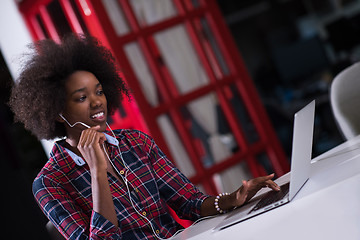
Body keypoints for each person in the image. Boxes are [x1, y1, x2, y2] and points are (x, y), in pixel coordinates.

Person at [9, 34, 280, 240]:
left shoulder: (135, 143)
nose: (97, 103)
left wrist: (235, 197)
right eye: (82, 97)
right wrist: (97, 172)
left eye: (99, 92)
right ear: (56, 111)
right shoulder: (49, 183)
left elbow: (189, 203)